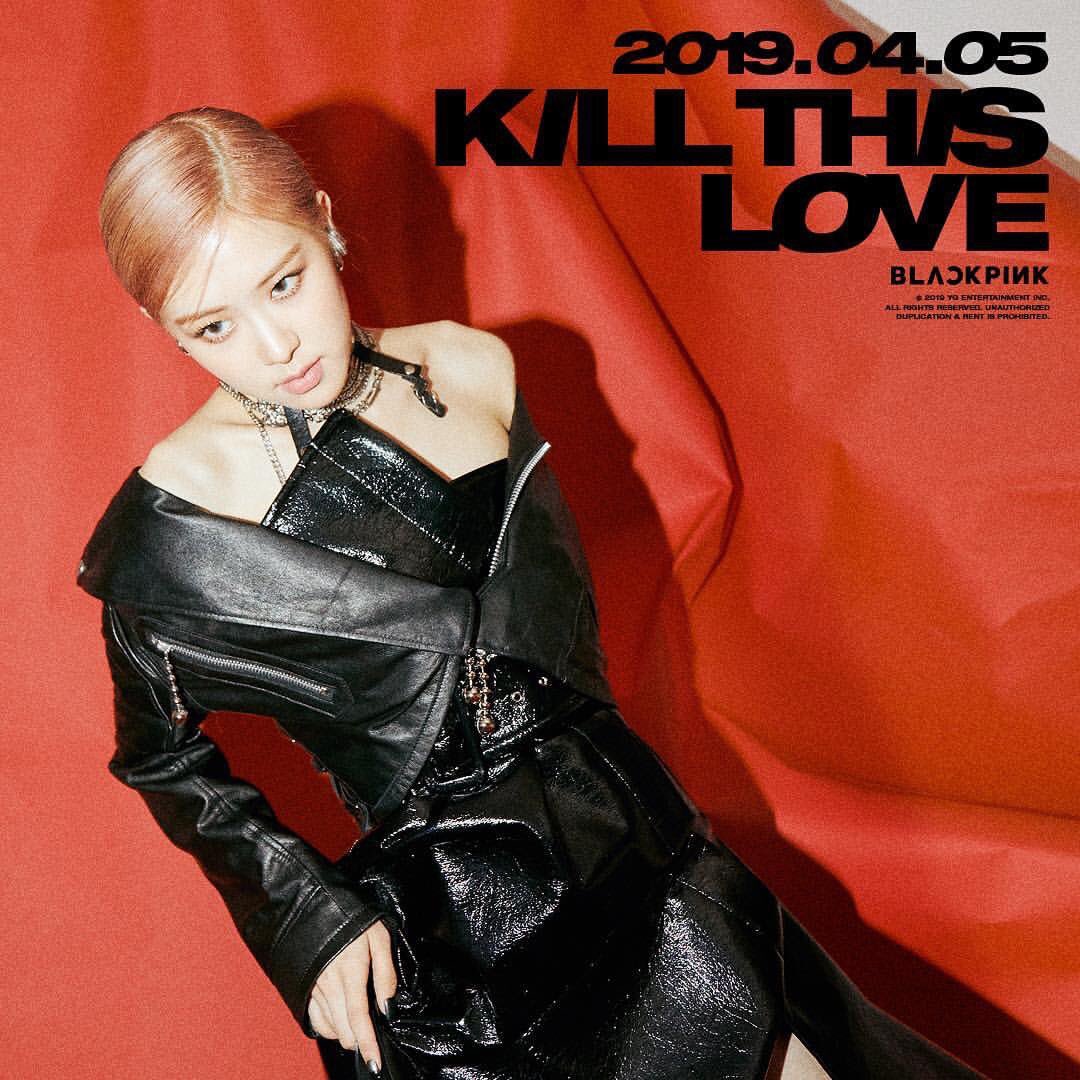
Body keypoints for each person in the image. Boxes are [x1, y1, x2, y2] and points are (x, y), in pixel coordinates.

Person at [78, 106, 985, 1080]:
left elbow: (557, 623)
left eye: (285, 282)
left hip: (638, 840)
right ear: (163, 328)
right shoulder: (174, 530)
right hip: (468, 938)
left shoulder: (474, 365)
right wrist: (307, 916)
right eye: (214, 326)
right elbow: (157, 756)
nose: (274, 346)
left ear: (326, 224)